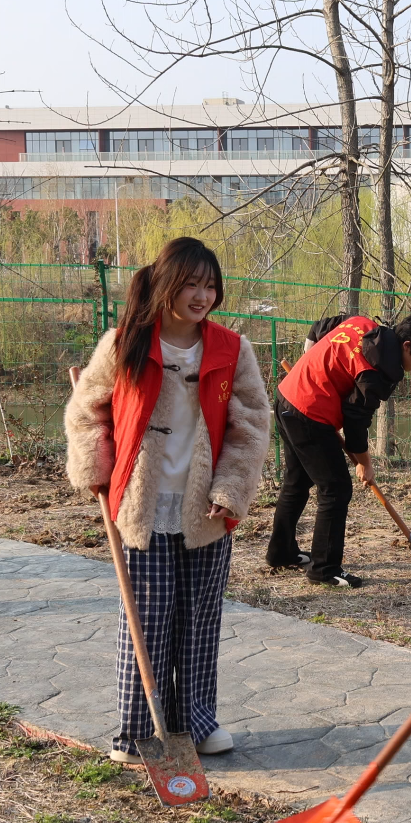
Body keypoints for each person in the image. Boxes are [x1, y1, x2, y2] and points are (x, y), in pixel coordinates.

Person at [65, 237, 271, 760]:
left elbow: (251, 428)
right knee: (147, 618)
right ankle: (138, 730)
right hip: (142, 503)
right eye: (190, 285)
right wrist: (95, 466)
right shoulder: (124, 344)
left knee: (200, 618)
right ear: (165, 286)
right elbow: (87, 411)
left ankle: (196, 723)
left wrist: (231, 490)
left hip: (205, 506)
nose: (202, 295)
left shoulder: (231, 349)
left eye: (209, 285)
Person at [267, 311, 411, 587]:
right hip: (309, 414)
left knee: (298, 480)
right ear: (406, 346)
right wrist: (364, 463)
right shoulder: (378, 370)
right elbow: (356, 419)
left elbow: (322, 325)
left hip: (287, 397)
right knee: (336, 488)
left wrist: (306, 363)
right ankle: (324, 569)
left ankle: (281, 552)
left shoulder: (363, 324)